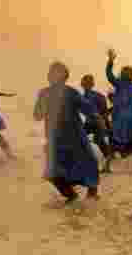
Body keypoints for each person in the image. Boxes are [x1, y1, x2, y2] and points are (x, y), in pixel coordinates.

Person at [34, 62, 101, 202]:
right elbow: (37, 116)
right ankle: (77, 196)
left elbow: (87, 108)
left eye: (54, 72)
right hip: (62, 139)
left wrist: (97, 119)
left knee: (84, 165)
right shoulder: (50, 92)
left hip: (70, 138)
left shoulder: (65, 92)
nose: (51, 75)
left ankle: (84, 196)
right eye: (51, 72)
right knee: (57, 172)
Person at [80, 74, 113, 173]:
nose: (85, 85)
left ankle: (107, 165)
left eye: (87, 83)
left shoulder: (97, 96)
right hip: (91, 122)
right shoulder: (83, 97)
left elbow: (103, 112)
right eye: (84, 83)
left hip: (97, 122)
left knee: (99, 141)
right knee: (81, 138)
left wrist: (106, 124)